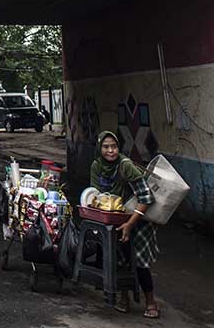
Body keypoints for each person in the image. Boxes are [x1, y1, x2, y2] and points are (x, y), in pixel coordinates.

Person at [90, 131, 160, 319]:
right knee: (118, 260)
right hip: (115, 220)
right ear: (99, 148)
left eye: (114, 146)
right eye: (106, 147)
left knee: (139, 263)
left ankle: (151, 302)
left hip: (138, 220)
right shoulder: (97, 166)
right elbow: (94, 196)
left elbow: (146, 197)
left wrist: (129, 224)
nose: (111, 151)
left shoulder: (125, 165)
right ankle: (124, 298)